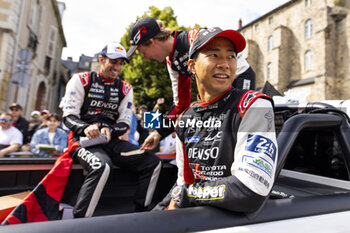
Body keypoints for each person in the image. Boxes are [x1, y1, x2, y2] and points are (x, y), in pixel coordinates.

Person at [153, 27, 277, 213]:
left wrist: (186, 195)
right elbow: (183, 182)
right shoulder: (186, 118)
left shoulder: (253, 106)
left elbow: (250, 191)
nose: (225, 64)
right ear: (192, 66)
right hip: (197, 213)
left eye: (231, 56)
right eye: (214, 55)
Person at [61, 42, 161, 218]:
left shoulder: (125, 88)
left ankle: (142, 215)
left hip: (111, 141)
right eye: (114, 62)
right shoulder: (81, 79)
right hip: (82, 142)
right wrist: (85, 128)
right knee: (102, 166)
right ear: (101, 60)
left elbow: (125, 123)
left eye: (121, 63)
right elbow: (68, 116)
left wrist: (110, 130)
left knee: (153, 162)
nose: (118, 67)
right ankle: (79, 222)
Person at [127, 17, 256, 150]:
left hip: (239, 81)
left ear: (152, 42)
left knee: (229, 139)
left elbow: (239, 69)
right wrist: (158, 133)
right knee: (195, 134)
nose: (146, 57)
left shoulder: (194, 38)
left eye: (143, 52)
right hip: (216, 95)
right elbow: (180, 104)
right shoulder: (172, 63)